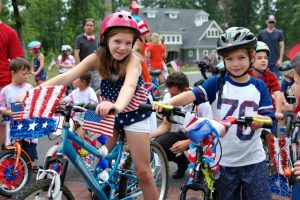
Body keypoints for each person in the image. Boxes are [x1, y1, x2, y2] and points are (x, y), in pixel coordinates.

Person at [39, 12, 158, 199]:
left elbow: (130, 86)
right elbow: (66, 77)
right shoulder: (97, 58)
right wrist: (34, 91)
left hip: (135, 112)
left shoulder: (133, 60)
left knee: (143, 172)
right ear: (105, 40)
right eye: (117, 41)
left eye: (128, 43)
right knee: (101, 160)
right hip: (108, 111)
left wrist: (117, 106)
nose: (123, 47)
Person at [156, 27, 275, 199]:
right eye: (229, 59)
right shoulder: (216, 84)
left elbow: (268, 117)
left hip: (253, 160)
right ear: (223, 60)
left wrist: (261, 121)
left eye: (241, 57)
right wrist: (167, 102)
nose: (235, 63)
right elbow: (192, 95)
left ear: (252, 57)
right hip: (223, 161)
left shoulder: (259, 86)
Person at [150, 72, 212, 179]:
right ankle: (183, 163)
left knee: (199, 178)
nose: (172, 98)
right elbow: (165, 126)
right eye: (170, 94)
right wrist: (148, 136)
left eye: (175, 95)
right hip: (184, 133)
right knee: (158, 143)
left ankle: (202, 165)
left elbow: (210, 130)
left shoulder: (202, 102)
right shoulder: (169, 98)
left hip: (201, 135)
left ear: (186, 90)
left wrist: (189, 142)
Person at [0, 57, 38, 161]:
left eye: (27, 74)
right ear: (13, 73)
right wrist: (10, 113)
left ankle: (30, 168)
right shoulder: (6, 90)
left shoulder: (29, 88)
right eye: (23, 74)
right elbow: (1, 107)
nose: (26, 77)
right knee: (13, 150)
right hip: (13, 126)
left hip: (27, 126)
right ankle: (15, 169)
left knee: (29, 152)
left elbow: (35, 104)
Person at [0, 0, 24, 150]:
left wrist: (20, 86)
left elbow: (18, 62)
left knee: (7, 121)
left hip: (5, 84)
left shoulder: (9, 32)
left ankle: (7, 155)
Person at [248, 41, 283, 135]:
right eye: (259, 58)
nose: (263, 60)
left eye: (266, 58)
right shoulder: (247, 75)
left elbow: (277, 94)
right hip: (251, 111)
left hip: (268, 112)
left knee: (271, 137)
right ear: (251, 60)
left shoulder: (271, 75)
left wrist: (278, 111)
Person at [62, 72, 98, 140]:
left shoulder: (90, 91)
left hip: (88, 118)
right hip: (78, 118)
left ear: (83, 81)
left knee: (79, 136)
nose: (72, 80)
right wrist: (56, 101)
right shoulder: (75, 92)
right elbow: (65, 100)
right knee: (68, 132)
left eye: (75, 79)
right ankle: (69, 144)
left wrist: (89, 106)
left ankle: (80, 147)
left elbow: (95, 103)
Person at [74, 18, 100, 91]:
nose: (89, 27)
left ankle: (96, 102)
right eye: (87, 25)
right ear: (84, 27)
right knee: (86, 89)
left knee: (97, 88)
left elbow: (99, 53)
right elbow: (76, 53)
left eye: (91, 25)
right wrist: (79, 68)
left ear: (94, 27)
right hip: (84, 69)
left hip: (95, 70)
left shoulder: (97, 39)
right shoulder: (79, 38)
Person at [257, 15, 285, 80]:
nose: (271, 23)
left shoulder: (279, 33)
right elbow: (257, 47)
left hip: (276, 63)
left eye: (273, 22)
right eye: (270, 22)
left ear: (275, 22)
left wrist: (280, 60)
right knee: (264, 82)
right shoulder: (261, 33)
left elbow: (282, 46)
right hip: (264, 62)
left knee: (277, 82)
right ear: (266, 22)